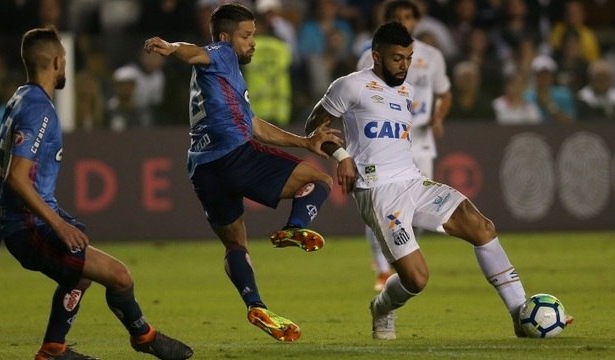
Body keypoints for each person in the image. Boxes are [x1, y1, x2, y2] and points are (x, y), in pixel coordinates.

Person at [304, 21, 552, 340]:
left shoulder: (408, 92)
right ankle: (382, 308)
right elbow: (313, 129)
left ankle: (521, 315)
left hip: (414, 182)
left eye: (408, 57)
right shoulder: (350, 86)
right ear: (376, 57)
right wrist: (342, 156)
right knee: (417, 279)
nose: (404, 65)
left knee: (482, 227)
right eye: (397, 58)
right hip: (378, 192)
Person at [0, 27, 193, 360]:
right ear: (58, 61)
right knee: (119, 276)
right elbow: (16, 178)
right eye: (64, 58)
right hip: (32, 225)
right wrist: (57, 226)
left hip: (23, 223)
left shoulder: (19, 99)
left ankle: (53, 348)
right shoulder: (37, 110)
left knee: (81, 275)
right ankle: (143, 336)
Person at [143, 3, 342, 342]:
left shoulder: (223, 77)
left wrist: (304, 141)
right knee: (319, 179)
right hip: (235, 154)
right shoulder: (220, 53)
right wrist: (172, 47)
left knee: (236, 244)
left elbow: (254, 125)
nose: (254, 43)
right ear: (225, 37)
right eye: (247, 36)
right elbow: (194, 53)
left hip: (202, 168)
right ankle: (295, 227)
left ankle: (255, 304)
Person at [356, 0, 451, 291]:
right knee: (380, 206)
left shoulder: (432, 56)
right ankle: (383, 270)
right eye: (397, 17)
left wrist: (438, 116)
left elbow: (444, 93)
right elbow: (358, 97)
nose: (404, 21)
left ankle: (403, 261)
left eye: (408, 17)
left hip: (420, 141)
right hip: (385, 140)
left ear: (416, 21)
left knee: (418, 212)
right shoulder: (367, 59)